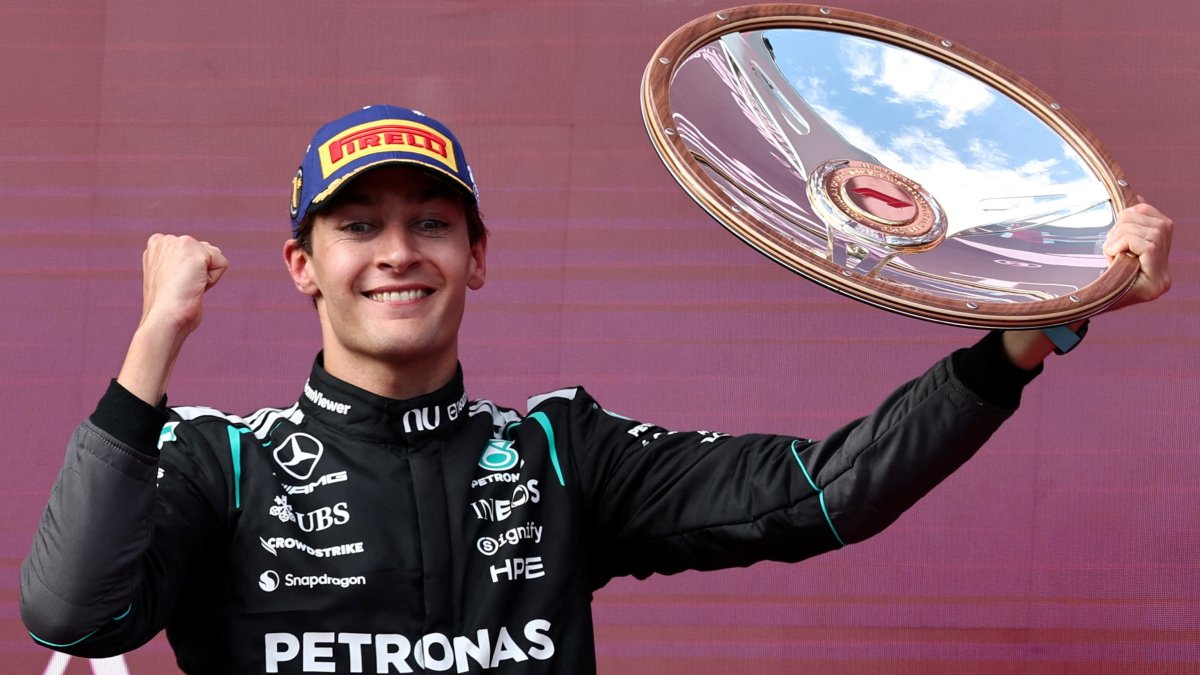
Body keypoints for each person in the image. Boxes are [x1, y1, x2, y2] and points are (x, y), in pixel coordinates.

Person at [20, 105, 1173, 674]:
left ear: (479, 255)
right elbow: (72, 612)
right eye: (357, 226)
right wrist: (151, 349)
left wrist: (1018, 337)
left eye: (432, 223)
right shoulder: (222, 461)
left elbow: (831, 493)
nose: (397, 253)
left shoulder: (564, 453)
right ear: (302, 266)